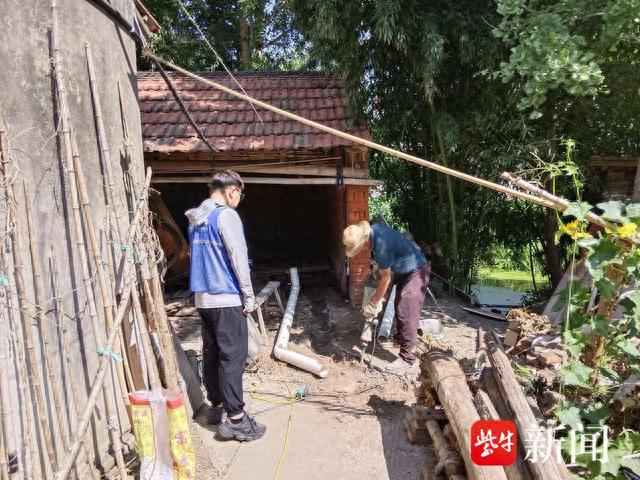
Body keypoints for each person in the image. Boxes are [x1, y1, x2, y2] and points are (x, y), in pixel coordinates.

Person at [185, 170, 266, 442]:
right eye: (239, 195)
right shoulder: (226, 216)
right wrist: (249, 297)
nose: (239, 200)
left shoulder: (196, 218)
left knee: (212, 353)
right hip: (226, 298)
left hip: (203, 299)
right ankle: (236, 420)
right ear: (232, 191)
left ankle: (217, 407)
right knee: (233, 358)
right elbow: (238, 257)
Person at [343, 220, 430, 374]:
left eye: (360, 247)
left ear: (364, 241)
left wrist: (374, 303)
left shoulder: (380, 245)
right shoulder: (376, 230)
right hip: (404, 270)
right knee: (398, 306)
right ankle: (401, 340)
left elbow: (386, 279)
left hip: (416, 271)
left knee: (406, 312)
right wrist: (378, 296)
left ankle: (407, 359)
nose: (361, 249)